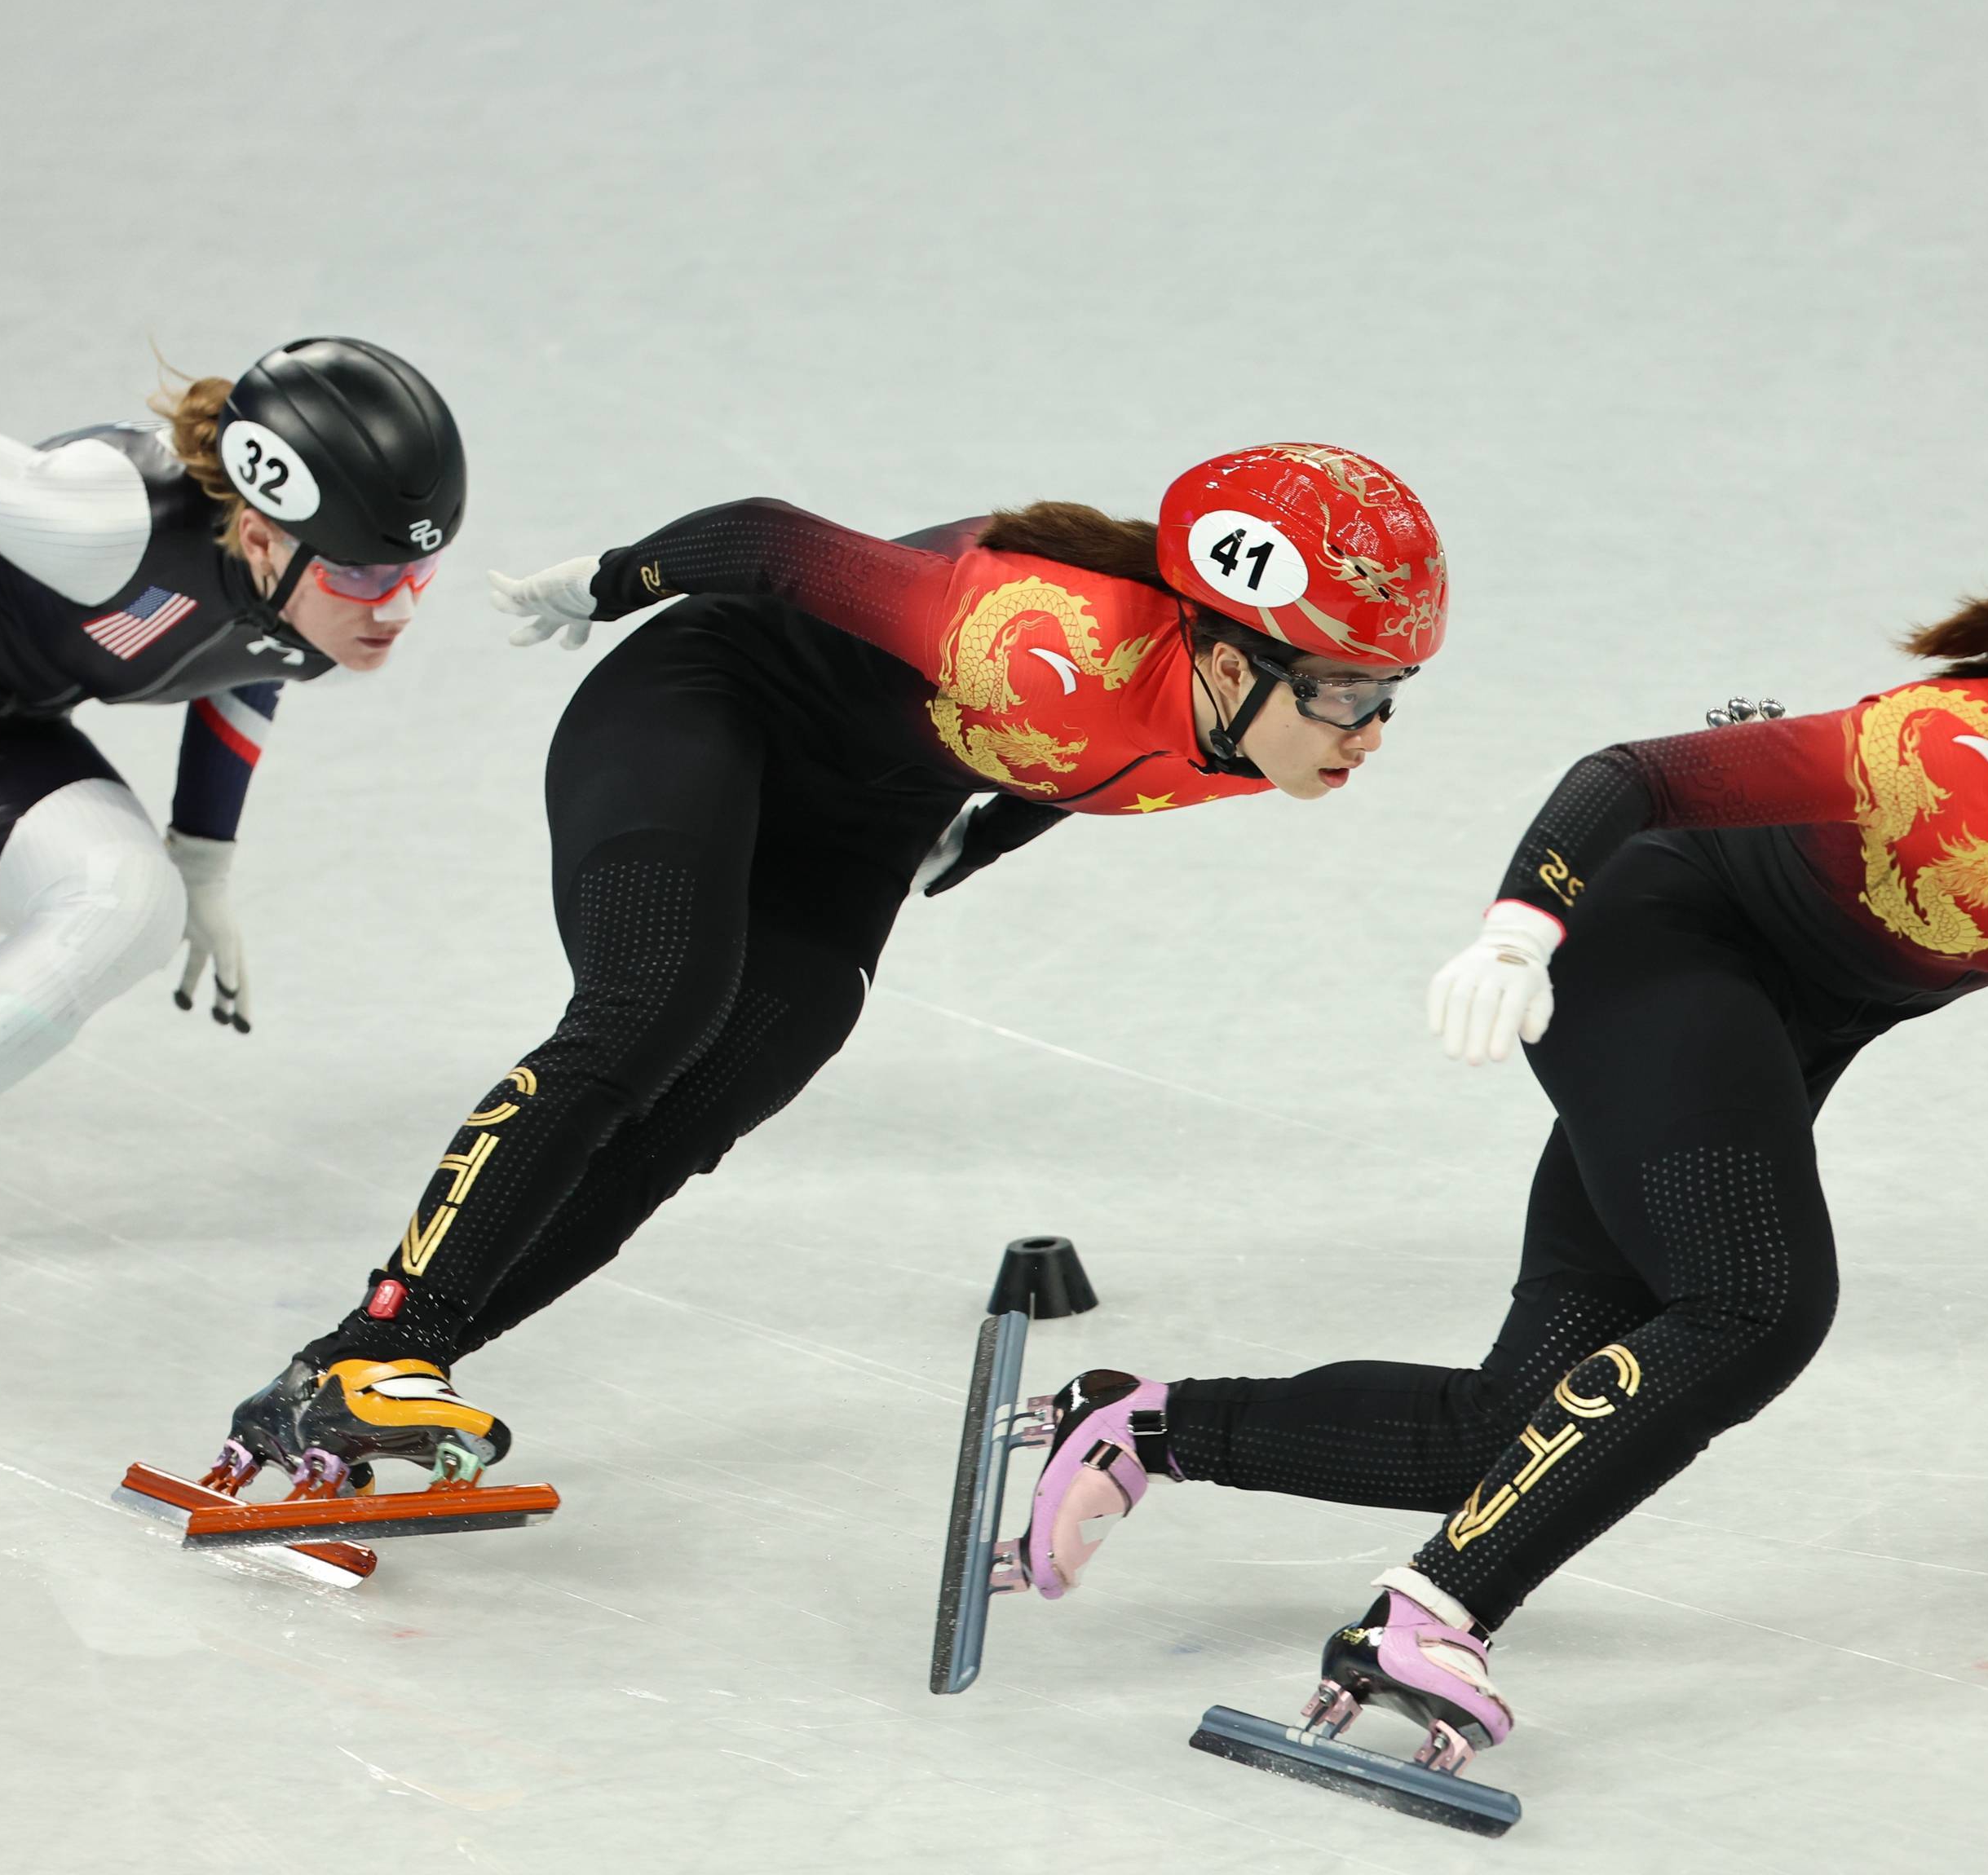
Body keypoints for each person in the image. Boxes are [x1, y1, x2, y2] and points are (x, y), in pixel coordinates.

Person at [1002, 474, 1988, 1783]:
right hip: (1656, 955)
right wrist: (1520, 934)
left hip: (1779, 1028)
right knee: (1756, 1302)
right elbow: (1633, 773)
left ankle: (1138, 1427)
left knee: (1509, 1433)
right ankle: (1425, 1621)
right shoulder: (1956, 750)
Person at [199, 445, 1451, 1506]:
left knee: (729, 1083)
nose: (1373, 734)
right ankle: (390, 1343)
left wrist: (987, 830)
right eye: (1348, 693)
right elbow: (773, 540)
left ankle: (353, 1376)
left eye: (1391, 695)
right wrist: (607, 581)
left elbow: (1103, 765)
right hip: (706, 703)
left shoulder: (1256, 738)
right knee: (654, 1006)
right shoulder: (1029, 630)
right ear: (1231, 660)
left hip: (868, 810)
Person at [0, 338, 463, 1169]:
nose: (396, 609)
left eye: (418, 568)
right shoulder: (105, 517)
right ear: (260, 537)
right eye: (362, 576)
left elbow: (250, 662)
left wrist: (204, 861)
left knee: (131, 906)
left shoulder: (321, 614)